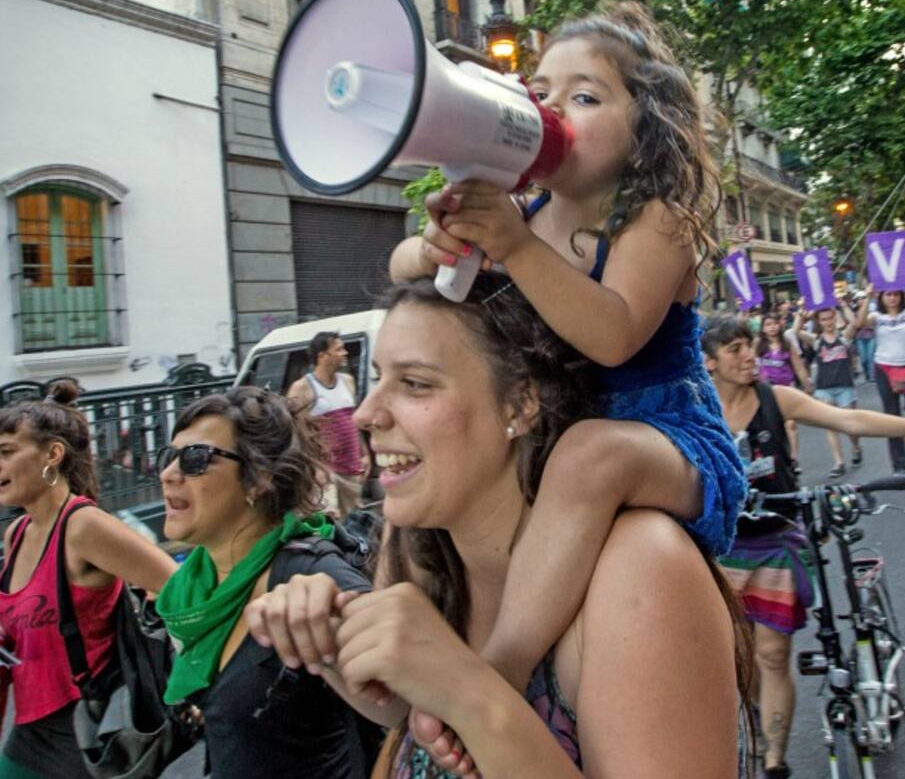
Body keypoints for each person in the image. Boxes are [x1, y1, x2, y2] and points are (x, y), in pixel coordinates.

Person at [245, 274, 748, 777]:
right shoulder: (418, 547)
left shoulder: (642, 565)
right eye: (377, 378)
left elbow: (460, 709)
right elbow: (412, 728)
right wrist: (342, 648)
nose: (367, 414)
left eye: (415, 383)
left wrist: (472, 692)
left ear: (520, 403)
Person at [387, 2, 745, 704]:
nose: (553, 109)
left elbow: (613, 334)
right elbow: (408, 268)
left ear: (646, 129)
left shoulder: (654, 218)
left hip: (665, 441)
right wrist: (435, 246)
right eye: (541, 93)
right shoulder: (522, 216)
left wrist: (513, 248)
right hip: (554, 443)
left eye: (585, 96)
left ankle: (505, 669)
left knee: (591, 453)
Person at [702, 314, 905, 779]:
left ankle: (773, 761)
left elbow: (850, 418)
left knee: (772, 654)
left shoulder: (776, 398)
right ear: (709, 363)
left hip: (774, 544)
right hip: (719, 552)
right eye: (735, 350)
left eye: (750, 346)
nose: (750, 356)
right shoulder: (696, 411)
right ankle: (753, 728)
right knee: (737, 661)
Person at [154, 387, 374, 778]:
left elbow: (408, 715)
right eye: (169, 457)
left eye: (195, 459)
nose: (169, 474)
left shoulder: (314, 578)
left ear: (259, 479)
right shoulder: (198, 585)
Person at [0, 381, 177, 778]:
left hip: (86, 735)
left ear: (53, 454)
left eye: (7, 452)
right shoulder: (18, 533)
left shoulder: (83, 527)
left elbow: (181, 585)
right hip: (29, 727)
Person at [287, 332, 367, 519]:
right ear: (322, 356)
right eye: (338, 349)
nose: (345, 353)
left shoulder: (348, 382)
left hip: (351, 465)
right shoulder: (302, 388)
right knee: (329, 520)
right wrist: (313, 467)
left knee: (354, 519)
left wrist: (364, 453)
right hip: (324, 470)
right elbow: (294, 431)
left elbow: (352, 421)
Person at [856, 279, 905, 476]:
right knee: (892, 417)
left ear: (901, 296)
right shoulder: (876, 316)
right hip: (884, 368)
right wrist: (867, 296)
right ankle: (899, 465)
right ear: (882, 297)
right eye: (888, 294)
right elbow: (860, 323)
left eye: (896, 294)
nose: (892, 298)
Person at [796, 301, 863, 477]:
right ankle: (838, 461)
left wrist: (844, 305)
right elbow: (796, 332)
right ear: (819, 321)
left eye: (830, 318)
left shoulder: (843, 336)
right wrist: (801, 315)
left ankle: (856, 447)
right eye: (823, 319)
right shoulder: (817, 340)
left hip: (844, 385)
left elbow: (855, 324)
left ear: (834, 317)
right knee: (831, 425)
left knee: (850, 426)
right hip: (824, 387)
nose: (828, 322)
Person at [756, 312, 810, 464]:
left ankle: (793, 458)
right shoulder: (759, 345)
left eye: (774, 323)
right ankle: (778, 457)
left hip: (787, 387)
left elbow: (798, 367)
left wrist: (806, 384)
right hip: (767, 390)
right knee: (771, 426)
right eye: (768, 324)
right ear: (763, 328)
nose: (772, 327)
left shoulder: (787, 345)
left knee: (790, 423)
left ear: (779, 325)